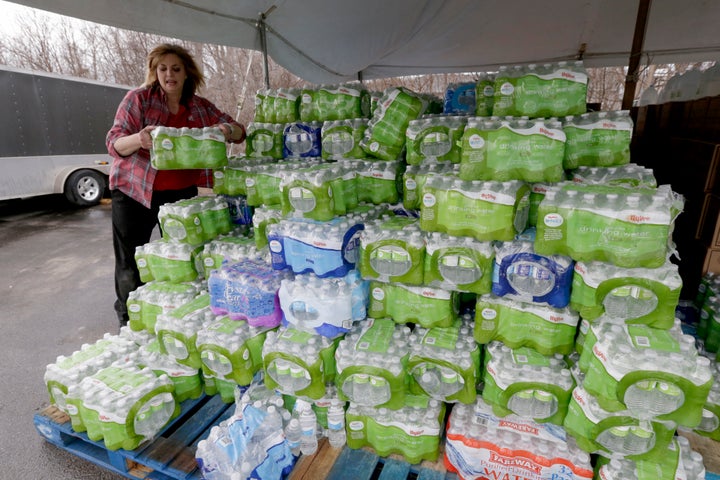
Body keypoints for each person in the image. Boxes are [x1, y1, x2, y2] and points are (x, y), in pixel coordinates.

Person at [106, 43, 245, 328]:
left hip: (181, 196)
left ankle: (174, 313)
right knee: (132, 262)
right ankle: (130, 321)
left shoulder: (200, 107)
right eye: (163, 68)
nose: (169, 74)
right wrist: (139, 139)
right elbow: (114, 143)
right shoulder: (139, 99)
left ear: (186, 73)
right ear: (154, 72)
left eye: (176, 69)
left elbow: (240, 132)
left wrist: (226, 130)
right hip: (135, 192)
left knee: (182, 257)